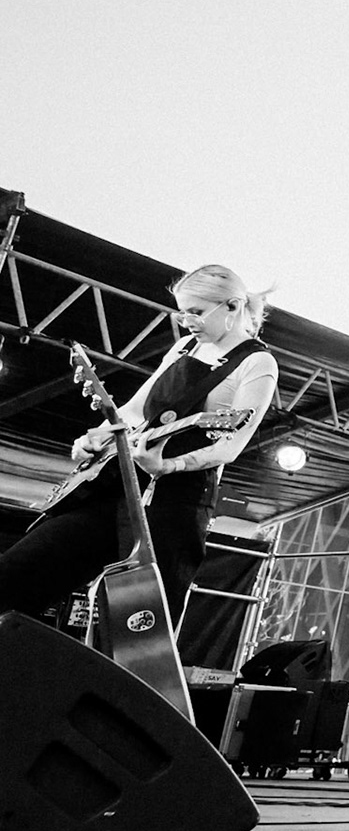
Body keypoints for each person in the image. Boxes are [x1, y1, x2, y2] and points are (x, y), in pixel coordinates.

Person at [0, 265, 279, 627]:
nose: (185, 321)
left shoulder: (258, 363)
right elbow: (134, 410)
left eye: (196, 312)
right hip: (117, 483)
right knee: (17, 574)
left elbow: (230, 445)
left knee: (138, 626)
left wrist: (169, 466)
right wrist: (97, 435)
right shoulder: (186, 347)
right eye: (181, 312)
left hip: (174, 504)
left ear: (233, 306)